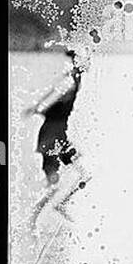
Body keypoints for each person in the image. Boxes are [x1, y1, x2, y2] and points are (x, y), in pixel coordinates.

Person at [26, 43, 92, 232]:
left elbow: (55, 97)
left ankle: (55, 205)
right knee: (55, 180)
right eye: (79, 61)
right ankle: (37, 218)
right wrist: (39, 108)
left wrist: (39, 108)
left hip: (57, 132)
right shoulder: (69, 81)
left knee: (83, 173)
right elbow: (55, 96)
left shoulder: (74, 79)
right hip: (52, 133)